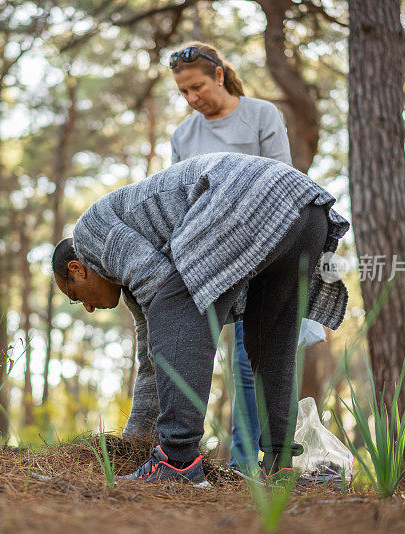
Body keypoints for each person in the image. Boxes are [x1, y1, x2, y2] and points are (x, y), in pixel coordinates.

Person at [52, 153, 348, 485]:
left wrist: (150, 437)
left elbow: (171, 302)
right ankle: (280, 466)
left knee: (177, 304)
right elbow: (153, 357)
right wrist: (132, 440)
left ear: (77, 269)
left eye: (76, 296)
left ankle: (177, 460)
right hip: (305, 207)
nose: (88, 309)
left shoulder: (89, 234)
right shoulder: (130, 277)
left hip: (249, 193)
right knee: (271, 340)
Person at [163, 41, 325, 473]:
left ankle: (261, 464)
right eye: (183, 93)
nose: (193, 99)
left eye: (197, 87)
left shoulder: (260, 115)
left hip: (262, 250)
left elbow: (284, 182)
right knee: (194, 350)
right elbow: (177, 200)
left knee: (255, 358)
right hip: (208, 258)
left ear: (219, 75)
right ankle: (197, 455)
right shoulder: (184, 135)